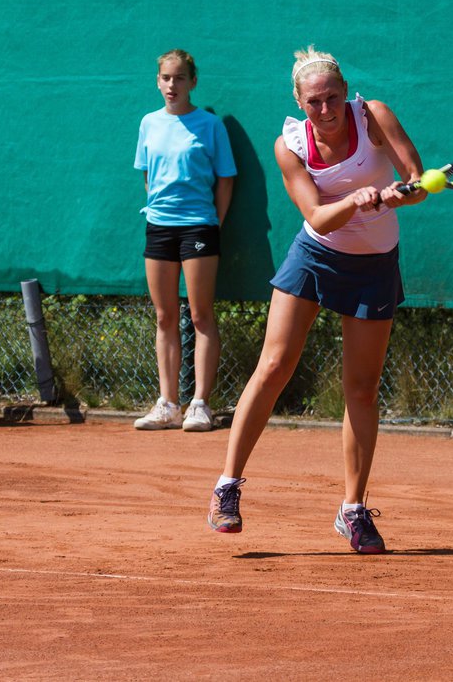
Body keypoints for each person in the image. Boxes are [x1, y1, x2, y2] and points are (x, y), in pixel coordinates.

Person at [206, 46, 427, 553]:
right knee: (275, 364)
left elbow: (417, 181)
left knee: (363, 389)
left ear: (345, 92)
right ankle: (227, 487)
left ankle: (352, 510)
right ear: (298, 102)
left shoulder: (374, 117)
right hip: (317, 252)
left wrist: (402, 191)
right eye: (313, 102)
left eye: (332, 98)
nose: (324, 111)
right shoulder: (290, 146)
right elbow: (317, 216)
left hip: (376, 262)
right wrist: (355, 199)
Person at [133, 49, 236, 432]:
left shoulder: (210, 126)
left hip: (199, 228)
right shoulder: (148, 123)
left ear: (193, 82)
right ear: (157, 81)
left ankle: (200, 405)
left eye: (179, 78)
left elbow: (226, 179)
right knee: (164, 316)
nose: (171, 85)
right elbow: (147, 176)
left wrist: (214, 223)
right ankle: (168, 404)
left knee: (200, 315)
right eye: (165, 78)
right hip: (158, 226)